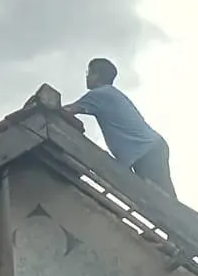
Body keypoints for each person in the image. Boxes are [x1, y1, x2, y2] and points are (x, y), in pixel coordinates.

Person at [65, 57, 176, 197]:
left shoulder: (99, 94)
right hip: (148, 150)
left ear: (97, 75)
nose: (87, 77)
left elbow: (68, 110)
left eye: (89, 73)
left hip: (146, 151)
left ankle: (180, 213)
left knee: (162, 199)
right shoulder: (109, 93)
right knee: (159, 197)